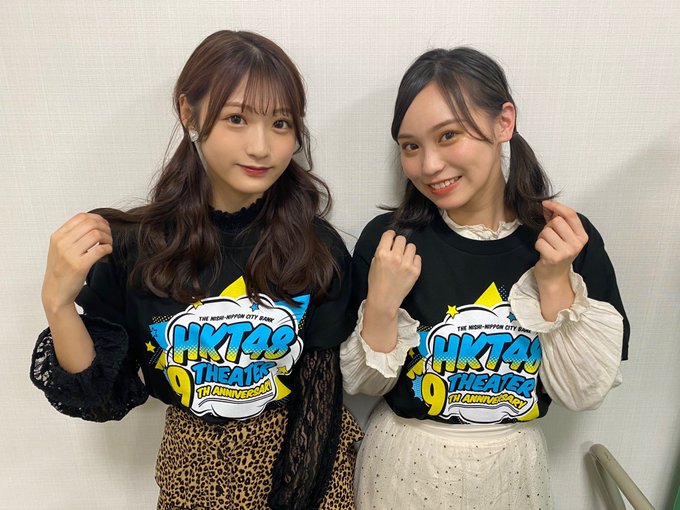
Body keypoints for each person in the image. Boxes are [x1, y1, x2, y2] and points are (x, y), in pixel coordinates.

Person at [31, 30, 362, 510]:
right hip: (192, 475)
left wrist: (294, 497)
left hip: (303, 471)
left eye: (280, 123)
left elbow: (321, 399)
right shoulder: (136, 248)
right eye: (237, 118)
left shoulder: (316, 248)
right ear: (189, 113)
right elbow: (101, 398)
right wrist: (58, 304)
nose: (262, 147)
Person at [341, 47, 629, 509]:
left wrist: (555, 281)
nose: (429, 165)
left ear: (503, 123)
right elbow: (363, 384)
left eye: (448, 135)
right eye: (411, 146)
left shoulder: (564, 238)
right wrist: (381, 305)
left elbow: (582, 392)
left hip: (512, 471)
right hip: (402, 466)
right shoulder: (389, 241)